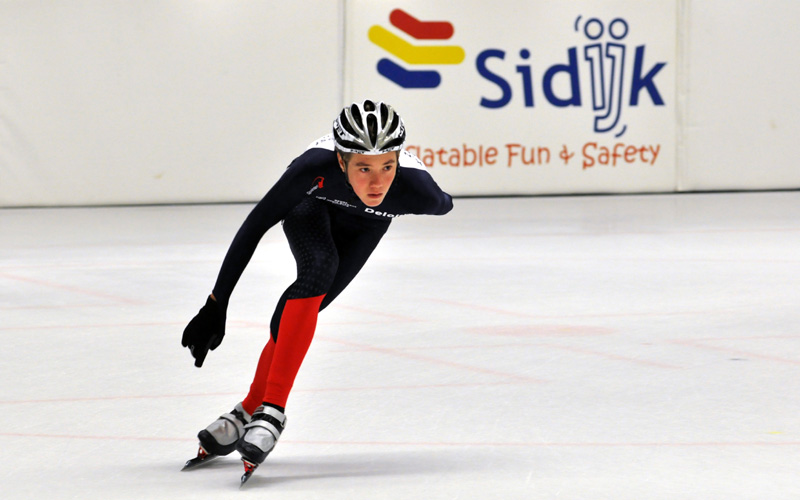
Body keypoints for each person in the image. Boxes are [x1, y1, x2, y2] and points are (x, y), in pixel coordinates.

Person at [180, 99, 453, 476]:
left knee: (294, 315)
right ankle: (272, 411)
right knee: (318, 269)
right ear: (341, 161)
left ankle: (247, 409)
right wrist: (216, 302)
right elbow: (254, 226)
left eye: (387, 166)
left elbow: (444, 203)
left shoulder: (420, 193)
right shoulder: (312, 169)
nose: (377, 182)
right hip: (312, 207)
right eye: (363, 168)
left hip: (366, 226)